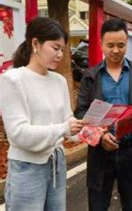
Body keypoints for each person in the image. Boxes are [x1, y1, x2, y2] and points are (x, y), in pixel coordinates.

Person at [75, 18, 132, 211]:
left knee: (131, 205)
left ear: (127, 43)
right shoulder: (91, 75)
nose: (115, 50)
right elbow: (81, 111)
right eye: (110, 45)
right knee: (97, 205)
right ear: (101, 44)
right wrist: (101, 135)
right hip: (100, 152)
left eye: (121, 45)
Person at [0, 17, 84, 211]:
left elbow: (67, 119)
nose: (60, 55)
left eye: (63, 50)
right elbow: (18, 133)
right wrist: (64, 128)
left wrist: (84, 130)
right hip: (27, 166)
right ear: (35, 43)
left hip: (57, 162)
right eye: (55, 48)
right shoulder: (13, 79)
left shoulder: (59, 80)